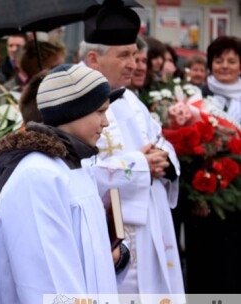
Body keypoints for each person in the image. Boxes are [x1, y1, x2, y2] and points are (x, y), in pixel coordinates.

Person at [0, 64, 122, 303]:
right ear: (73, 112)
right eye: (100, 112)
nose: (106, 123)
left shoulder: (73, 167)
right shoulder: (38, 176)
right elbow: (46, 279)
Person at [80, 0, 184, 296]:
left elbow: (159, 140)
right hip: (115, 233)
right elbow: (76, 173)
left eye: (135, 55)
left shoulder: (129, 99)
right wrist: (141, 165)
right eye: (124, 55)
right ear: (93, 59)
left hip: (152, 224)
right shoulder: (76, 106)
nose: (134, 64)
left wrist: (164, 159)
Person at [186, 35, 241, 293]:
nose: (225, 65)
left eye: (232, 60)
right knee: (205, 263)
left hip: (237, 197)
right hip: (205, 197)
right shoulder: (197, 97)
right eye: (219, 60)